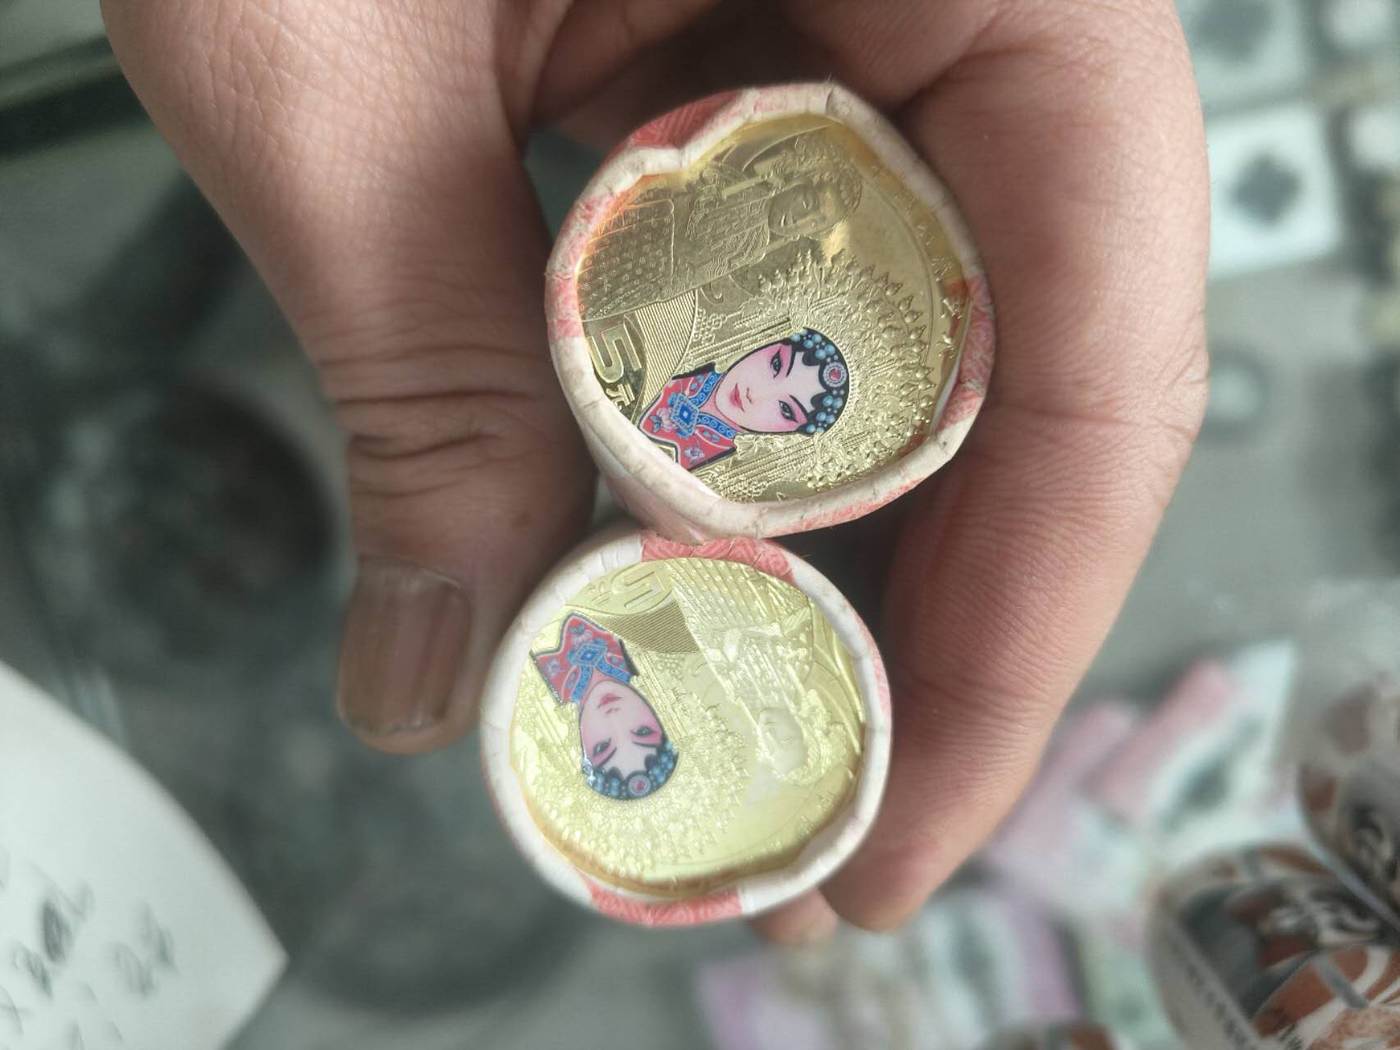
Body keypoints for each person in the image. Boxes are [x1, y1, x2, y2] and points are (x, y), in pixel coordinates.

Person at [102, 0, 1210, 943]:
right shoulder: (658, 339)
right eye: (782, 367)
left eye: (615, 749)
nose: (769, 394)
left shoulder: (675, 540)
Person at [640, 329, 848, 470]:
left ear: (790, 432)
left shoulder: (710, 460)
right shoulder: (679, 353)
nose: (755, 394)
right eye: (776, 364)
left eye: (786, 409)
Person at [532, 614, 677, 800]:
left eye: (602, 747)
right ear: (660, 721)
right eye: (642, 731)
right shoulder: (635, 645)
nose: (614, 716)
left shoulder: (549, 679)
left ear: (582, 747)